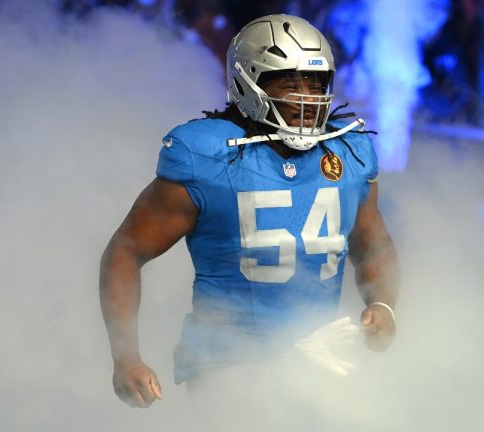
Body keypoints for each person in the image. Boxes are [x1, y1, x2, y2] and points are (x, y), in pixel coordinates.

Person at [99, 14, 398, 410]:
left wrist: (382, 304)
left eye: (315, 82)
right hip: (227, 359)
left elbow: (373, 242)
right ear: (248, 81)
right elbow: (126, 250)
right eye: (289, 82)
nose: (306, 96)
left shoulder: (348, 152)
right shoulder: (208, 155)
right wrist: (126, 356)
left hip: (318, 352)